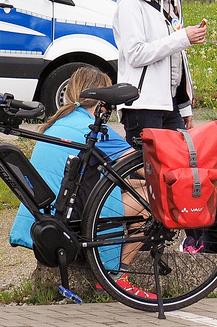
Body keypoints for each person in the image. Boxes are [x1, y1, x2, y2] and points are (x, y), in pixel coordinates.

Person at [8, 65, 138, 277]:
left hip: (46, 220)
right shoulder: (95, 130)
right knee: (152, 197)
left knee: (138, 187)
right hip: (75, 220)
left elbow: (90, 179)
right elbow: (142, 168)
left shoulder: (56, 124)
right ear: (102, 99)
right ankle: (118, 276)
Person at [113, 0, 208, 146]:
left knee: (180, 167)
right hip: (142, 104)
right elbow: (135, 54)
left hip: (169, 102)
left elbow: (176, 58)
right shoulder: (131, 2)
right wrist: (183, 38)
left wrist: (183, 105)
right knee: (145, 173)